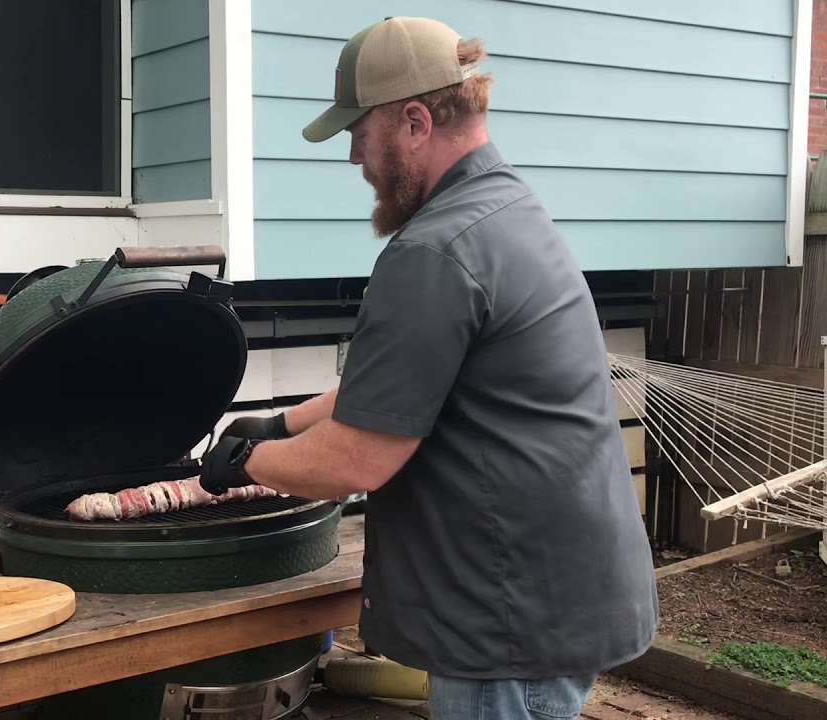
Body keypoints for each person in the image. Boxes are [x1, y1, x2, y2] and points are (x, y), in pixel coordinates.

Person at [197, 16, 659, 720]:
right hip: (547, 601)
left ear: (414, 121)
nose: (354, 158)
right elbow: (396, 387)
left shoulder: (436, 252)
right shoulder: (503, 210)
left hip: (509, 625)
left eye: (358, 132)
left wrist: (248, 465)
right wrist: (281, 422)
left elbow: (358, 458)